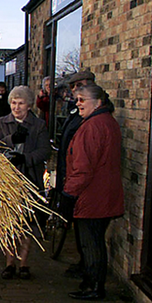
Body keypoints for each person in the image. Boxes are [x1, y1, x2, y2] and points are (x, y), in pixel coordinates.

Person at [63, 83, 124, 300]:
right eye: (76, 99)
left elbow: (83, 168)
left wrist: (69, 194)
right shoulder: (107, 122)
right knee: (95, 240)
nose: (78, 103)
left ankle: (94, 286)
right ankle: (92, 282)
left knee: (90, 243)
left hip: (92, 197)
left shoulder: (92, 126)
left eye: (82, 99)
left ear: (97, 103)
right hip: (103, 194)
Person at [0, 85, 50, 280]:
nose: (16, 107)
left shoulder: (39, 126)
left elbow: (44, 151)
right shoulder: (2, 122)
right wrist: (10, 140)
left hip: (30, 179)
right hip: (8, 181)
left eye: (21, 103)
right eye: (14, 103)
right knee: (10, 223)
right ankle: (9, 263)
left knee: (27, 223)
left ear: (29, 105)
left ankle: (23, 263)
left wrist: (25, 158)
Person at [56, 70, 96, 278]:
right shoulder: (75, 112)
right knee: (81, 234)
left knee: (89, 238)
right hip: (71, 177)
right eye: (73, 87)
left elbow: (85, 160)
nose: (75, 91)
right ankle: (84, 266)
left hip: (83, 186)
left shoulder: (93, 118)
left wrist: (70, 191)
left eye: (80, 85)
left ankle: (92, 279)